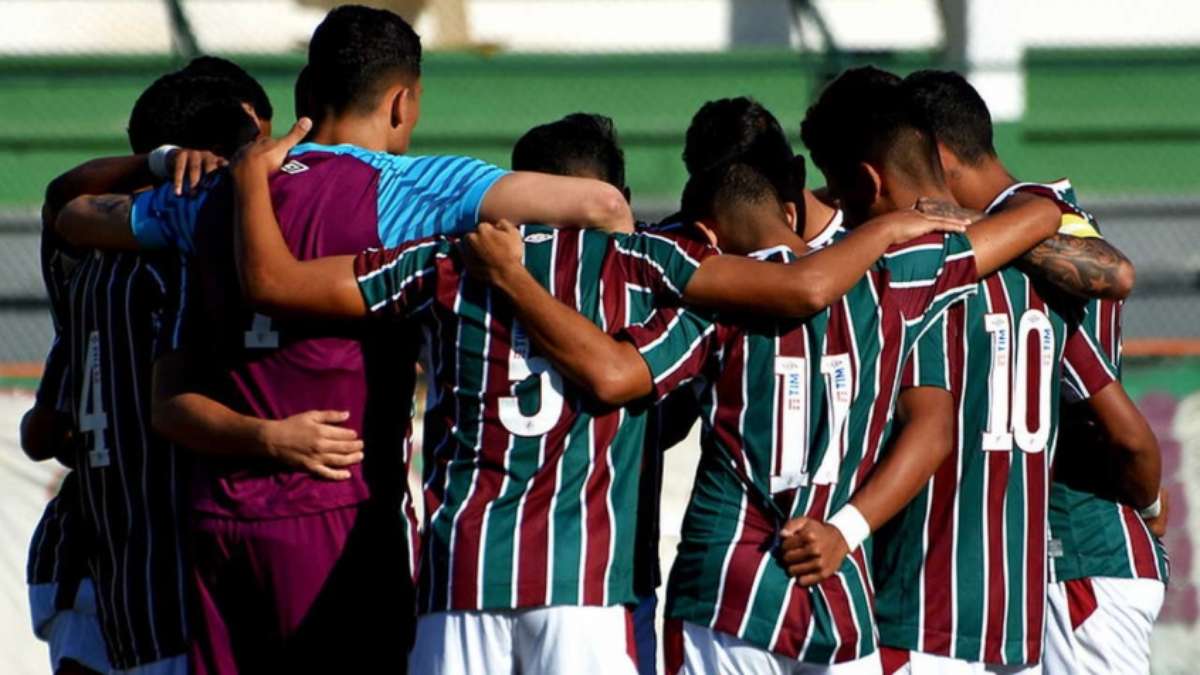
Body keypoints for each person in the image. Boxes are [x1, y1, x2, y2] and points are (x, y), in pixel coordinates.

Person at [903, 68, 1167, 675]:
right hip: (1035, 555)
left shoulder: (1038, 215)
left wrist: (1149, 502)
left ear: (939, 159)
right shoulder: (1013, 225)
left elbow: (1113, 273)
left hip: (1079, 547)